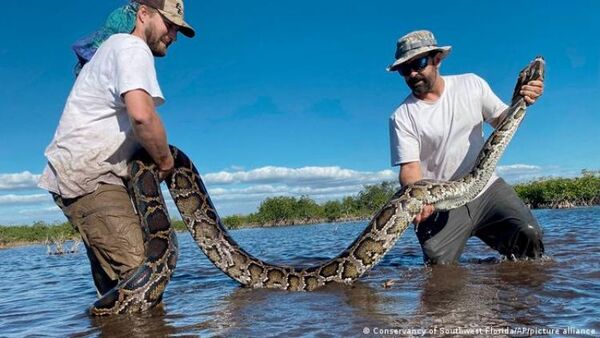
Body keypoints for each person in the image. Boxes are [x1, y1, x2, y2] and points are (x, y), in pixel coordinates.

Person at [38, 0, 195, 295]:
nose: (172, 34)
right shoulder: (131, 47)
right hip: (93, 179)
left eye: (177, 29)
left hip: (83, 174)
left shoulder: (112, 50)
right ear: (144, 14)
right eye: (169, 24)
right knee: (143, 275)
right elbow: (142, 115)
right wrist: (164, 163)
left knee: (116, 286)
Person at [387, 30, 545, 264]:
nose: (412, 73)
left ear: (437, 59)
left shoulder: (471, 84)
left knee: (529, 235)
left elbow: (503, 121)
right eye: (404, 69)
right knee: (438, 267)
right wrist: (420, 199)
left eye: (418, 63)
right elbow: (410, 169)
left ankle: (520, 295)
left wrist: (523, 99)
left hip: (486, 189)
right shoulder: (401, 116)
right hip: (439, 201)